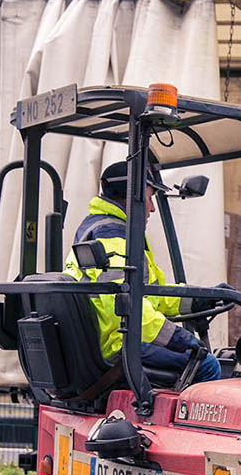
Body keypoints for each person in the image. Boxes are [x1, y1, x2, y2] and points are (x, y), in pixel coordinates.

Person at [63, 160, 222, 383]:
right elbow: (125, 307)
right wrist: (177, 337)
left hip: (107, 341)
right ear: (132, 198)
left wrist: (195, 299)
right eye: (149, 198)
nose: (152, 208)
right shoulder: (113, 237)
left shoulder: (102, 229)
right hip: (118, 345)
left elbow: (146, 295)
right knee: (206, 365)